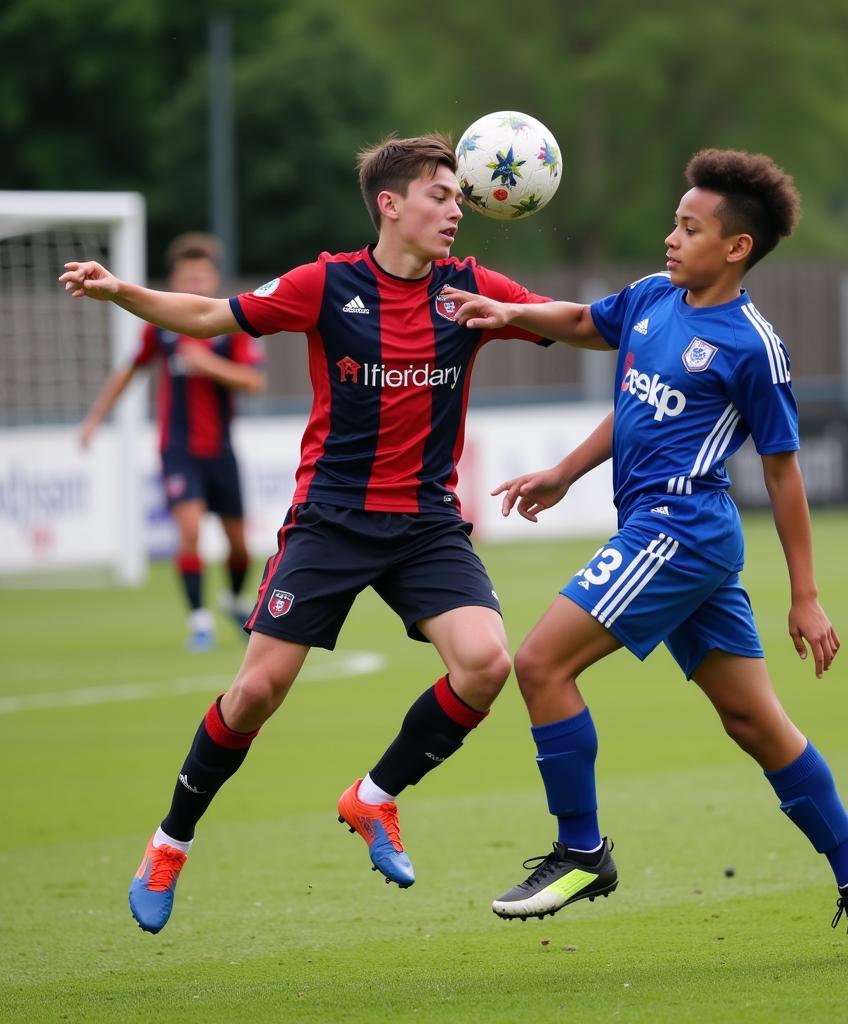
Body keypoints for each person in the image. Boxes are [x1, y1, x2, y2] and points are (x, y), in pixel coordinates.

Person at [61, 132, 609, 936]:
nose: (458, 209)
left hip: (425, 524)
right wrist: (122, 293)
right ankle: (169, 842)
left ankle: (375, 798)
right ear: (390, 205)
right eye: (440, 195)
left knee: (488, 665)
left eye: (460, 196)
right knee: (255, 693)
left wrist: (646, 308)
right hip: (331, 520)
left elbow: (575, 324)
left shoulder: (470, 288)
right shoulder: (328, 284)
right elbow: (215, 315)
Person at [443, 149, 848, 963]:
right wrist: (512, 325)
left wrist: (806, 594)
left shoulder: (752, 345)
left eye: (690, 228)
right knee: (754, 722)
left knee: (540, 664)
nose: (670, 237)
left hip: (679, 531)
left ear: (736, 248)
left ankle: (582, 850)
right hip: (670, 534)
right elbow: (590, 328)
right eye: (674, 221)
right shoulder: (656, 300)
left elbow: (783, 470)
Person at [79, 233, 266, 651]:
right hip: (177, 448)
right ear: (177, 279)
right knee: (190, 530)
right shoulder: (162, 330)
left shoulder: (231, 328)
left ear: (214, 280)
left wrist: (208, 365)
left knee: (239, 545)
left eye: (203, 276)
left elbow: (254, 381)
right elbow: (130, 370)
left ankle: (233, 600)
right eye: (188, 276)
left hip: (221, 449)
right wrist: (94, 419)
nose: (196, 284)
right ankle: (199, 621)